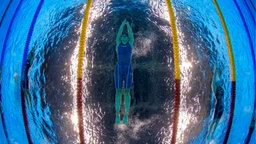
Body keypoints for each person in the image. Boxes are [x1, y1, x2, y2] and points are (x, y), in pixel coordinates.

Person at [114, 19, 134, 124]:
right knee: (118, 92)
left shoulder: (130, 44)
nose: (125, 37)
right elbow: (118, 35)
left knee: (126, 92)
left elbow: (131, 35)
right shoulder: (118, 44)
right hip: (118, 69)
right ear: (121, 38)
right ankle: (117, 114)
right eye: (123, 36)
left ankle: (126, 114)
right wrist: (122, 25)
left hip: (128, 70)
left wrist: (128, 25)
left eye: (126, 36)